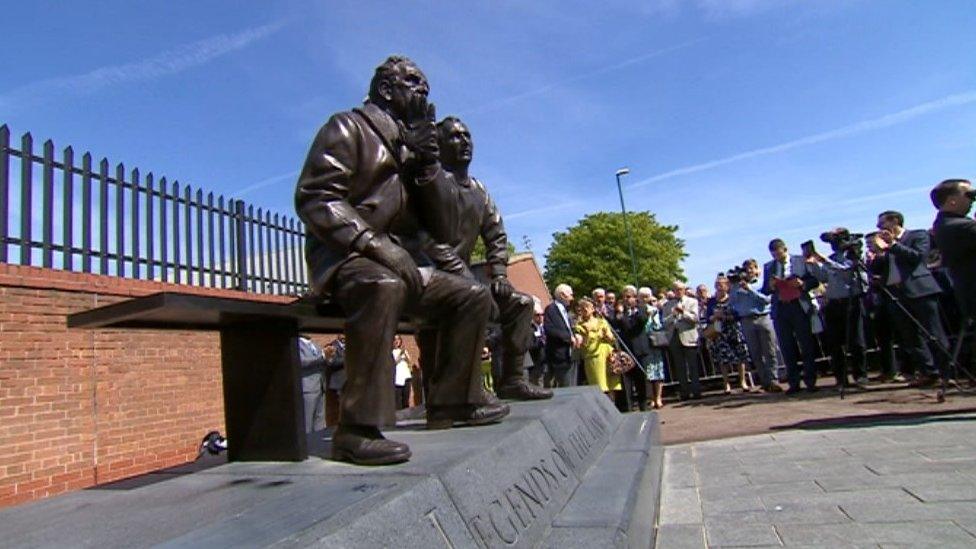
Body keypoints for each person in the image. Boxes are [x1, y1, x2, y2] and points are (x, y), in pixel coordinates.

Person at [295, 55, 505, 464]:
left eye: (425, 86)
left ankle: (451, 401)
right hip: (347, 258)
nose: (423, 92)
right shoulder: (347, 127)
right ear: (386, 90)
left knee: (473, 296)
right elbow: (316, 198)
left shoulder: (412, 149)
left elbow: (442, 228)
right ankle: (356, 430)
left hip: (401, 262)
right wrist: (375, 243)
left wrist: (427, 166)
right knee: (382, 284)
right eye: (413, 84)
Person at [418, 115, 551, 400]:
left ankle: (513, 379)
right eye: (454, 136)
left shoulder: (479, 191)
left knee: (521, 304)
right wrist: (465, 278)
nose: (464, 141)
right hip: (430, 277)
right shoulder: (432, 185)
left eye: (467, 135)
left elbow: (496, 234)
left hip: (466, 280)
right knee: (470, 302)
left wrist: (500, 273)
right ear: (439, 146)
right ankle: (463, 391)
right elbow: (424, 241)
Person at [871, 210, 949, 386]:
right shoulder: (884, 245)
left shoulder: (917, 235)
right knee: (911, 337)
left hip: (920, 290)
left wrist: (893, 244)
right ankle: (928, 372)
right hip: (897, 295)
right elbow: (877, 269)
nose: (878, 227)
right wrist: (878, 253)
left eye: (882, 223)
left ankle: (947, 372)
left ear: (894, 221)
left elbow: (917, 258)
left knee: (933, 332)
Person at [806, 228, 870, 389]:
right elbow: (822, 277)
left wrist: (824, 260)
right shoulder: (832, 258)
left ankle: (860, 375)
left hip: (852, 300)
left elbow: (846, 272)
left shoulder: (853, 255)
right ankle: (841, 378)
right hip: (833, 302)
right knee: (834, 343)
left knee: (856, 340)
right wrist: (814, 265)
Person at [762, 239, 820, 394]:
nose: (776, 257)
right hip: (781, 308)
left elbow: (814, 280)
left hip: (798, 305)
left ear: (785, 249)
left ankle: (810, 380)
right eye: (773, 254)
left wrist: (802, 283)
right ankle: (794, 382)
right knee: (787, 346)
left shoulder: (799, 261)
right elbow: (765, 290)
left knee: (806, 343)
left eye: (778, 253)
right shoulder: (769, 267)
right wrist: (771, 286)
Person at [731, 259, 783, 392]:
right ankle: (765, 382)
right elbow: (733, 302)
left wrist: (750, 290)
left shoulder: (761, 283)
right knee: (755, 353)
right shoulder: (736, 286)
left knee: (770, 351)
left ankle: (773, 380)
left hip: (763, 317)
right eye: (746, 269)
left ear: (756, 269)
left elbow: (766, 299)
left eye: (751, 268)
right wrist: (737, 287)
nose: (749, 271)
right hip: (747, 320)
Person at [931, 179, 976, 317]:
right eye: (969, 195)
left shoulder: (944, 223)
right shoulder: (959, 226)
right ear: (952, 200)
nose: (973, 200)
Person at [705, 275, 755, 394]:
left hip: (734, 329)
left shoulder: (733, 298)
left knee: (740, 356)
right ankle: (726, 384)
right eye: (717, 285)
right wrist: (714, 316)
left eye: (722, 285)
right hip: (719, 331)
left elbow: (738, 314)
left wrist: (726, 316)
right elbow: (708, 317)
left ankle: (743, 381)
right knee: (723, 359)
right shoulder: (712, 301)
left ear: (727, 286)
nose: (719, 287)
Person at [573, 298, 621, 401]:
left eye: (587, 307)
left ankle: (613, 406)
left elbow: (611, 339)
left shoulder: (602, 322)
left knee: (611, 383)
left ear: (593, 309)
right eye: (582, 308)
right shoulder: (579, 326)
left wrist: (608, 336)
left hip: (608, 355)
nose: (584, 309)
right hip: (593, 357)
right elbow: (583, 344)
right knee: (600, 385)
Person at [612, 285, 651, 411]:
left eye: (629, 297)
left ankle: (644, 405)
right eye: (624, 297)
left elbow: (639, 323)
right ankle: (628, 407)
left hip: (640, 350)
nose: (626, 300)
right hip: (626, 351)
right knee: (626, 381)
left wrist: (636, 308)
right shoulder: (620, 313)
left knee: (641, 381)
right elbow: (615, 325)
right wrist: (619, 314)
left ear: (635, 298)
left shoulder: (642, 309)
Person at [663, 281, 701, 400]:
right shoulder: (667, 305)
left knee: (693, 366)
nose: (678, 291)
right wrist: (673, 315)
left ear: (684, 290)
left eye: (680, 289)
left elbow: (695, 318)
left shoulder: (692, 301)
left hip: (688, 336)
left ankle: (696, 391)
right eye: (675, 289)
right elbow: (664, 322)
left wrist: (683, 312)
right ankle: (684, 391)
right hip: (674, 337)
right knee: (679, 367)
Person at [544, 283, 582, 387]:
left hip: (568, 355)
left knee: (570, 384)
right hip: (558, 356)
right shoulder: (551, 309)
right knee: (565, 386)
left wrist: (576, 335)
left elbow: (568, 328)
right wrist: (569, 338)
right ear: (562, 295)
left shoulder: (565, 311)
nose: (572, 298)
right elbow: (550, 329)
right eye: (570, 295)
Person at [638, 287, 667, 408]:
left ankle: (659, 397)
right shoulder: (638, 311)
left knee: (658, 372)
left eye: (647, 296)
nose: (645, 299)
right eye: (642, 296)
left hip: (655, 342)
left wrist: (652, 317)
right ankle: (651, 398)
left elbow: (659, 325)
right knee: (648, 373)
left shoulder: (655, 310)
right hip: (644, 344)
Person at [298, 336, 327, 433]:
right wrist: (322, 356)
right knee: (308, 421)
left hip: (320, 386)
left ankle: (320, 444)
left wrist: (329, 357)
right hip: (308, 388)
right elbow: (302, 362)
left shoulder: (314, 344)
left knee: (320, 420)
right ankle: (308, 445)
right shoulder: (297, 344)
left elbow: (322, 360)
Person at [526, 298, 547, 386]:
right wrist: (541, 342)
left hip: (546, 361)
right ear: (532, 316)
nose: (541, 317)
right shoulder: (529, 328)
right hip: (536, 361)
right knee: (537, 383)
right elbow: (530, 345)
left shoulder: (546, 326)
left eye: (542, 314)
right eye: (538, 315)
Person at [392, 335, 413, 410]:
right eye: (395, 339)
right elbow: (394, 363)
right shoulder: (392, 352)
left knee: (406, 400)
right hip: (398, 380)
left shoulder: (404, 351)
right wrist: (401, 355)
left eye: (398, 339)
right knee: (398, 402)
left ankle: (407, 417)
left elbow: (409, 362)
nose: (397, 341)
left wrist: (405, 356)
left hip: (406, 377)